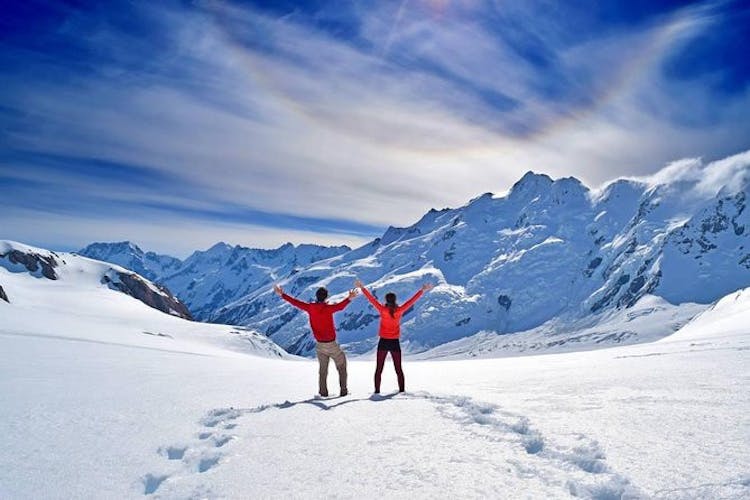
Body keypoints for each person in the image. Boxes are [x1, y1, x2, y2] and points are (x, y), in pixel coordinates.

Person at [274, 284, 357, 397]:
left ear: (316, 297)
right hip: (331, 344)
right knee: (341, 365)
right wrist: (349, 298)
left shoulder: (310, 308)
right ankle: (343, 390)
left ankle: (323, 393)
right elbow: (340, 306)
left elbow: (296, 302)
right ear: (326, 297)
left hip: (319, 345)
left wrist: (282, 295)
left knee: (323, 370)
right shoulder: (328, 309)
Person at [354, 279, 434, 394]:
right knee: (398, 369)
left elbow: (371, 299)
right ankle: (401, 391)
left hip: (383, 342)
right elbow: (411, 302)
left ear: (386, 300)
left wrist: (362, 287)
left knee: (379, 368)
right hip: (394, 342)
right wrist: (422, 290)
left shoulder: (382, 310)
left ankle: (377, 391)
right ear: (395, 300)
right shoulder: (400, 310)